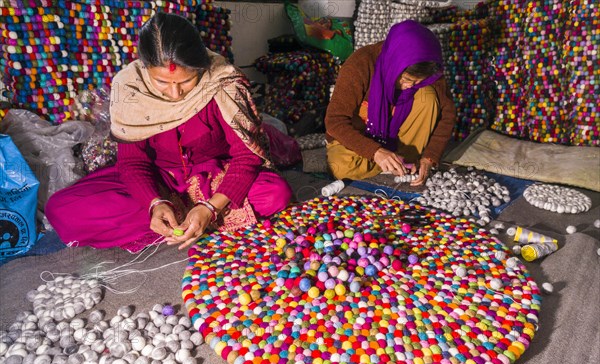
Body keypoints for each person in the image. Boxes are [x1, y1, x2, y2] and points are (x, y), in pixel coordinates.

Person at [46, 12, 292, 252]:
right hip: (160, 179)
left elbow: (246, 156)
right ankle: (181, 218)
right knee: (61, 209)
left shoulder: (222, 83)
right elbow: (133, 162)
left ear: (200, 67)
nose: (175, 94)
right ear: (145, 68)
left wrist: (210, 207)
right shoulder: (131, 89)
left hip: (215, 175)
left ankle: (200, 217)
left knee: (274, 193)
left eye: (186, 81)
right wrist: (155, 203)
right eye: (162, 82)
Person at [325, 20, 456, 185]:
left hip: (398, 140)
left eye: (417, 82)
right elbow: (334, 121)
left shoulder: (428, 68)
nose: (409, 86)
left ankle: (402, 159)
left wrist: (430, 157)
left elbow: (448, 114)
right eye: (406, 79)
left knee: (427, 96)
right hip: (359, 140)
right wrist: (375, 152)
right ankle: (397, 163)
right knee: (341, 167)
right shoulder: (360, 64)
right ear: (395, 64)